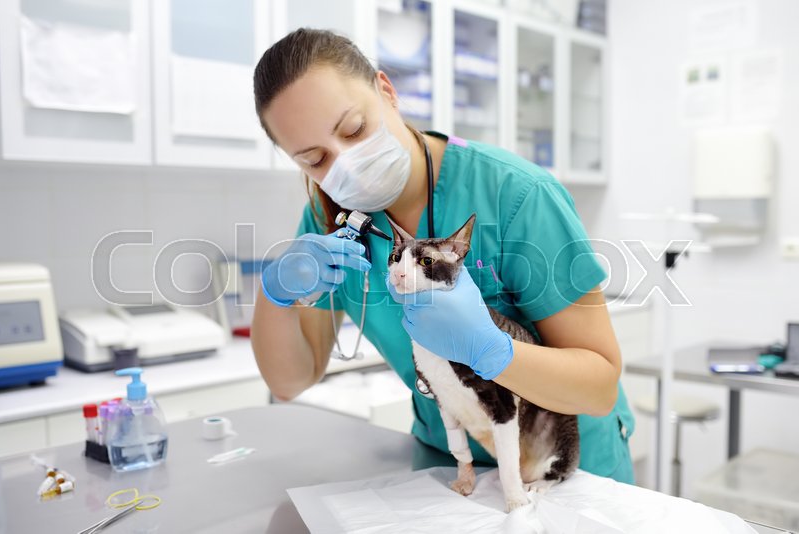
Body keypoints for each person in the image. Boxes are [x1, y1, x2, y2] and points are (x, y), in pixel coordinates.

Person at [250, 28, 635, 483]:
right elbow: (290, 381)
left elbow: (599, 387)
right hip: (452, 471)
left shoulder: (516, 196)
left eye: (354, 129)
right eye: (315, 159)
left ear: (386, 91)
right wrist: (275, 292)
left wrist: (495, 352)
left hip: (565, 470)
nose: (345, 162)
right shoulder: (328, 219)